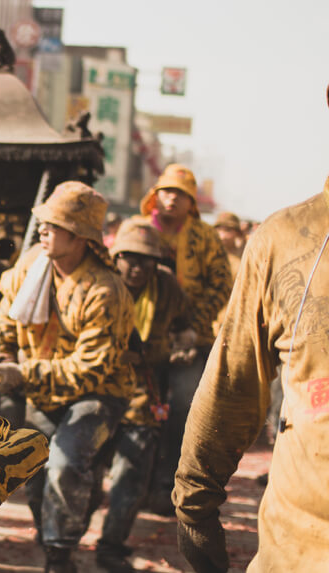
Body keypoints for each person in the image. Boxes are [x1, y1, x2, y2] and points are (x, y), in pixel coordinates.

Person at [172, 159, 329, 570]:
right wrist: (193, 503)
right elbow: (232, 384)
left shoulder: (203, 243)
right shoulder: (286, 239)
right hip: (298, 551)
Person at [0, 181, 135, 572]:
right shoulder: (34, 262)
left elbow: (91, 370)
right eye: (44, 223)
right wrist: (2, 350)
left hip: (98, 394)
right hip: (40, 388)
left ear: (82, 236)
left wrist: (22, 372)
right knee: (33, 474)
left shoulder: (105, 290)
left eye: (55, 225)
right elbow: (7, 310)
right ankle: (55, 533)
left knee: (65, 463)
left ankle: (59, 554)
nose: (43, 230)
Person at [133, 164, 232, 515]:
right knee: (141, 411)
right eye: (167, 191)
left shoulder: (205, 238)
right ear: (155, 196)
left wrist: (193, 326)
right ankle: (132, 487)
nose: (172, 198)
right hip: (142, 340)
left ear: (192, 202)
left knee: (182, 412)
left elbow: (221, 284)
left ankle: (166, 486)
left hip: (191, 340)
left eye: (181, 194)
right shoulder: (139, 230)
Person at [93, 220, 186, 572]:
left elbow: (184, 324)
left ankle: (111, 547)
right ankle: (63, 545)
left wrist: (184, 341)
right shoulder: (99, 282)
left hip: (142, 395)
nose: (136, 267)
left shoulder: (167, 287)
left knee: (130, 476)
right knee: (84, 476)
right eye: (129, 258)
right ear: (115, 257)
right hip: (96, 392)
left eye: (145, 260)